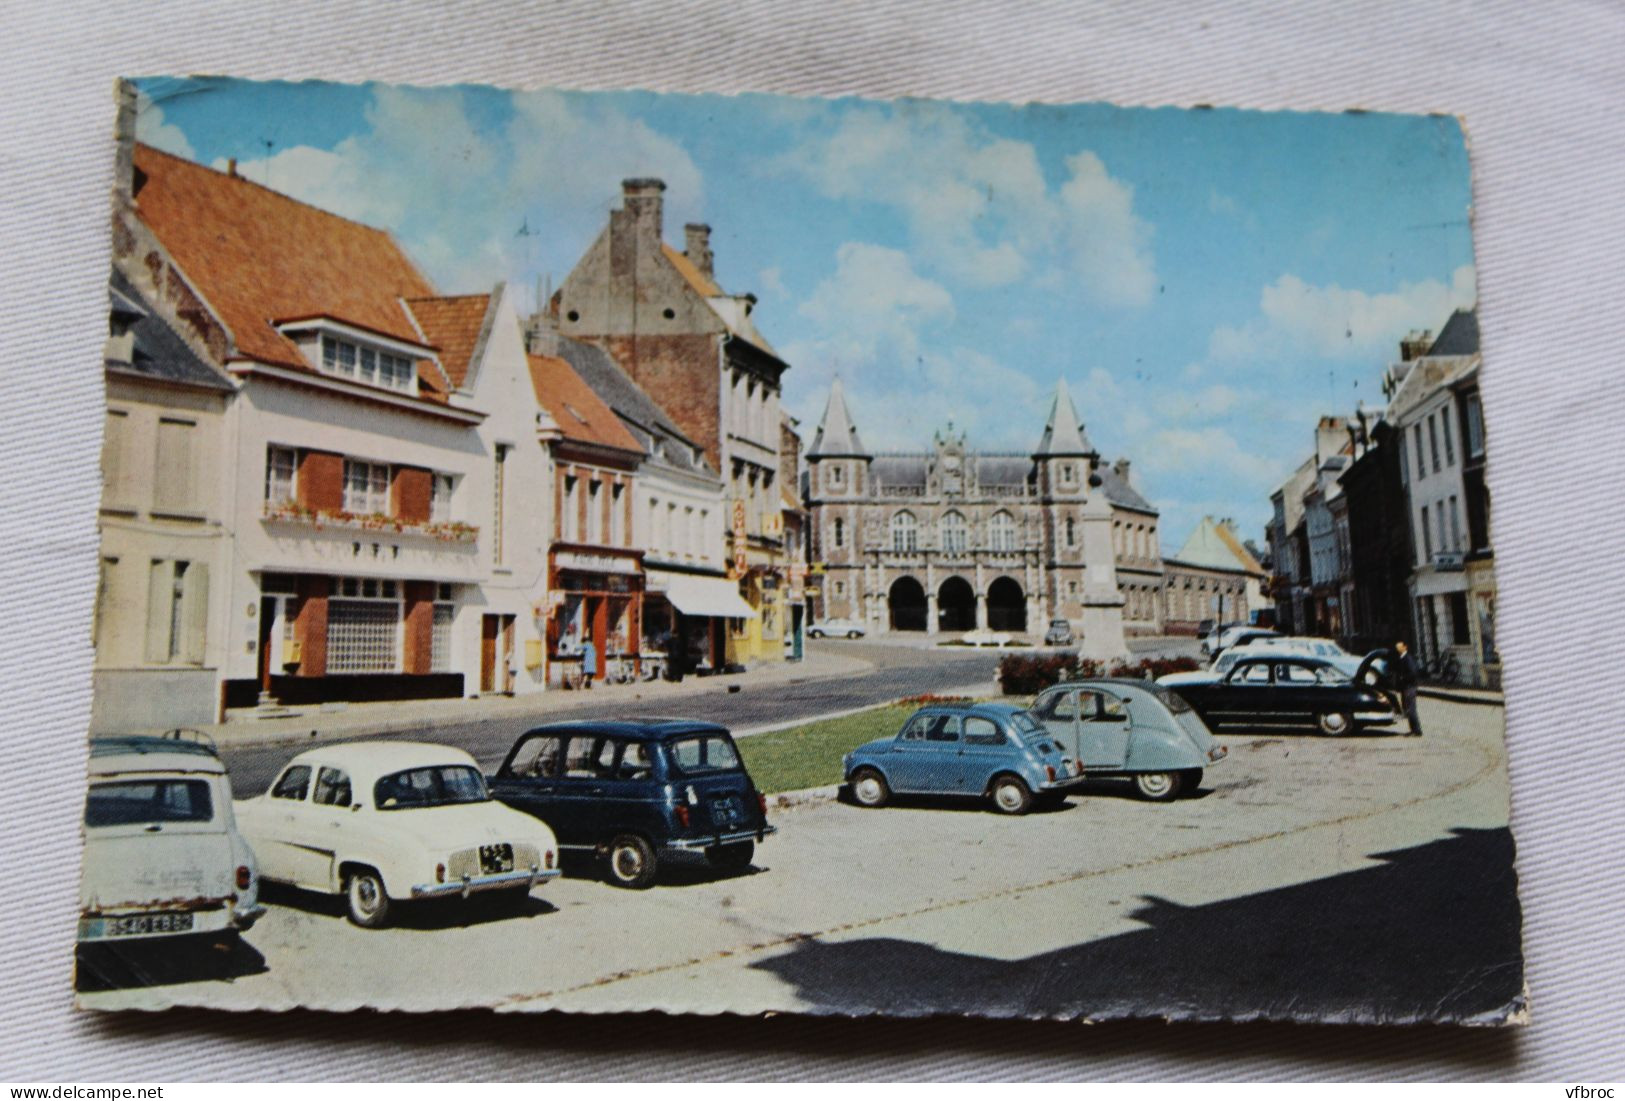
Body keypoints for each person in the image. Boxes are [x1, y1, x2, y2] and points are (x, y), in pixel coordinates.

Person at [1392, 639, 1422, 736]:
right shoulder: (1401, 658)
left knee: (1411, 709)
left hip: (1409, 687)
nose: (1397, 648)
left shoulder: (1407, 658)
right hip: (1405, 687)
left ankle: (1417, 730)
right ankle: (1413, 729)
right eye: (1397, 647)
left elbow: (1413, 673)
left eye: (1399, 647)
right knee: (1407, 709)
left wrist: (1402, 678)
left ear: (1405, 647)